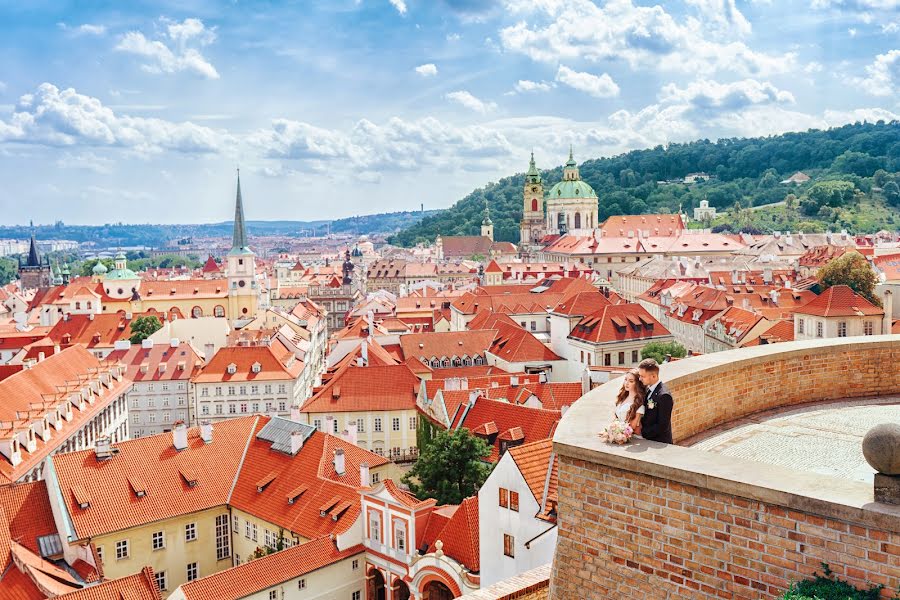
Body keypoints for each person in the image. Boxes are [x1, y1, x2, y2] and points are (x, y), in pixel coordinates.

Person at [637, 358, 674, 444]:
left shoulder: (664, 396)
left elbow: (662, 426)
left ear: (653, 376)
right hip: (647, 440)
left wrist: (642, 432)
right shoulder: (648, 388)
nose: (640, 379)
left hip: (659, 443)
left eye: (643, 376)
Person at [614, 369, 647, 435]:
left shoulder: (638, 403)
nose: (627, 383)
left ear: (637, 384)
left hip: (628, 437)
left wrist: (616, 434)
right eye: (625, 379)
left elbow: (632, 427)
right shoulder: (623, 397)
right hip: (618, 434)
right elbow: (616, 419)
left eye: (631, 381)